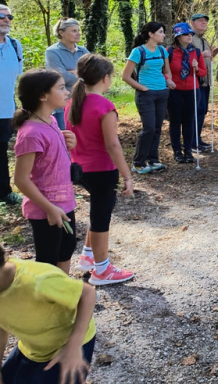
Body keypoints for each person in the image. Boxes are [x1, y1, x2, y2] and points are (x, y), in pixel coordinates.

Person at [66, 54, 135, 285]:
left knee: (97, 212)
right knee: (101, 218)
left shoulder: (72, 102)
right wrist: (127, 176)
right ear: (105, 78)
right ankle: (102, 270)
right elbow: (112, 145)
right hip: (102, 170)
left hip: (79, 168)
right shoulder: (104, 106)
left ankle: (88, 256)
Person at [0, 244, 97, 384]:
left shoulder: (36, 280)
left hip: (68, 346)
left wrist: (74, 344)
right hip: (33, 348)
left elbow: (88, 293)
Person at [12, 70, 76, 274]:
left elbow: (49, 160)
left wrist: (67, 143)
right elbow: (21, 179)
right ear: (42, 95)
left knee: (66, 249)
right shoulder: (30, 133)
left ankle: (63, 290)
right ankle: (48, 294)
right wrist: (49, 208)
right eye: (61, 88)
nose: (67, 92)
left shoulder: (51, 121)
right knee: (48, 260)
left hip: (64, 202)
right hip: (45, 209)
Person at [121, 22, 175, 174]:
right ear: (151, 34)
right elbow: (125, 76)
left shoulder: (162, 51)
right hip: (146, 95)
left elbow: (167, 71)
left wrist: (168, 81)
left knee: (157, 128)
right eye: (160, 32)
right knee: (149, 128)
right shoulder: (138, 52)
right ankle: (138, 163)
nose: (163, 35)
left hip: (162, 93)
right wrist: (142, 88)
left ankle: (153, 160)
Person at [167, 23, 207, 163]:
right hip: (175, 91)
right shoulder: (169, 51)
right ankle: (177, 151)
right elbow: (163, 71)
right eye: (185, 34)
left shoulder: (196, 52)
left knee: (189, 121)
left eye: (190, 34)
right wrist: (168, 80)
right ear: (178, 37)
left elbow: (203, 72)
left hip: (192, 90)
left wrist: (196, 69)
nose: (189, 36)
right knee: (175, 122)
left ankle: (188, 150)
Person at [44, 18, 89, 129]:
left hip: (84, 101)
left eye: (78, 30)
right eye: (74, 31)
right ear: (61, 32)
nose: (78, 34)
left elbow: (95, 74)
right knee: (65, 136)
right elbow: (62, 77)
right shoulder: (52, 52)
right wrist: (82, 75)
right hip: (62, 104)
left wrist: (74, 73)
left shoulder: (83, 51)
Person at [0, 4, 23, 205]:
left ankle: (4, 192)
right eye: (1, 16)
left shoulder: (15, 45)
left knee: (1, 152)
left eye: (9, 17)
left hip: (6, 110)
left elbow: (17, 78)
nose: (6, 20)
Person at [190, 12, 213, 151]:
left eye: (205, 21)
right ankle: (192, 142)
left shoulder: (204, 40)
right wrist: (202, 54)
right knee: (196, 110)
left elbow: (209, 58)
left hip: (206, 81)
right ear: (192, 23)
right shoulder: (189, 38)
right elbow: (187, 56)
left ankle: (197, 139)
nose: (204, 23)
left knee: (202, 110)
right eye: (200, 21)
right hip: (195, 81)